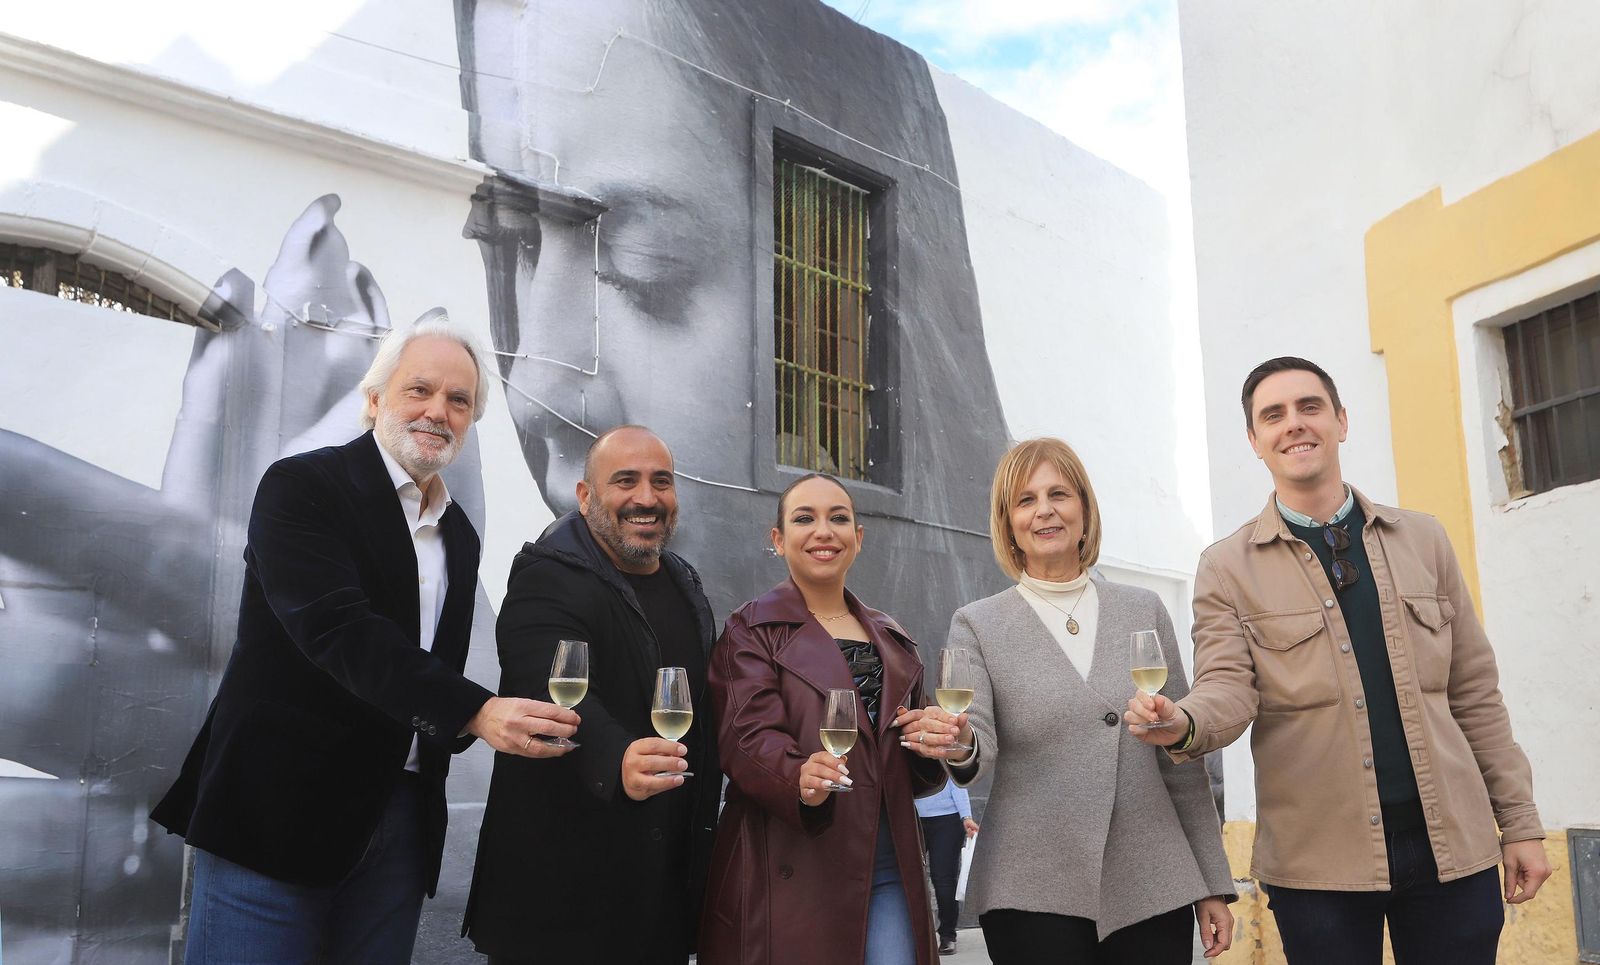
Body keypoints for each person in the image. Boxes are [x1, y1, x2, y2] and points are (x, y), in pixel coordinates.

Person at [149, 313, 580, 962]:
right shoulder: (301, 486)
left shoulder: (458, 534)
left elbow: (427, 663)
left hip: (399, 824)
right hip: (276, 813)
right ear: (374, 398)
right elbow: (336, 628)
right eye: (419, 389)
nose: (439, 409)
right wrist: (476, 709)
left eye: (459, 399)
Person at [1128, 357, 1551, 965]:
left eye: (1309, 407)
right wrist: (1185, 723)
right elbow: (1227, 687)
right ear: (1255, 441)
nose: (1293, 425)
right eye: (1272, 415)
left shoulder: (1424, 539)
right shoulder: (1225, 568)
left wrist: (1522, 823)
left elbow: (1476, 694)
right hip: (1317, 865)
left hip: (1452, 848)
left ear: (1341, 421)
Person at [901, 438, 1235, 963]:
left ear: (1084, 508)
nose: (1045, 510)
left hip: (1152, 879)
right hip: (1031, 886)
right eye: (1026, 500)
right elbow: (977, 742)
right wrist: (961, 739)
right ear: (1009, 523)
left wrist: (1212, 882)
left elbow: (1181, 759)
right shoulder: (978, 623)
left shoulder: (1143, 608)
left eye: (1059, 493)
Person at [463, 425, 722, 964]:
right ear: (584, 497)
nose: (646, 498)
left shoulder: (685, 584)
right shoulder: (546, 576)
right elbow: (553, 692)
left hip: (659, 897)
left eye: (662, 482)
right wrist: (616, 755)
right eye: (625, 481)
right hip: (560, 903)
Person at [700, 473, 947, 965]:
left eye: (838, 518)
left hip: (889, 861)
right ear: (778, 539)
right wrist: (798, 775)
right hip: (792, 860)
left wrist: (936, 740)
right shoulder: (749, 629)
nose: (823, 531)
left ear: (858, 538)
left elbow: (907, 757)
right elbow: (746, 738)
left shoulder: (893, 637)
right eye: (803, 518)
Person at [914, 777, 978, 955]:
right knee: (909, 879)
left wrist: (966, 816)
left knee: (943, 880)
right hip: (911, 818)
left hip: (947, 819)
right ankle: (914, 934)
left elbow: (957, 780)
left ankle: (948, 935)